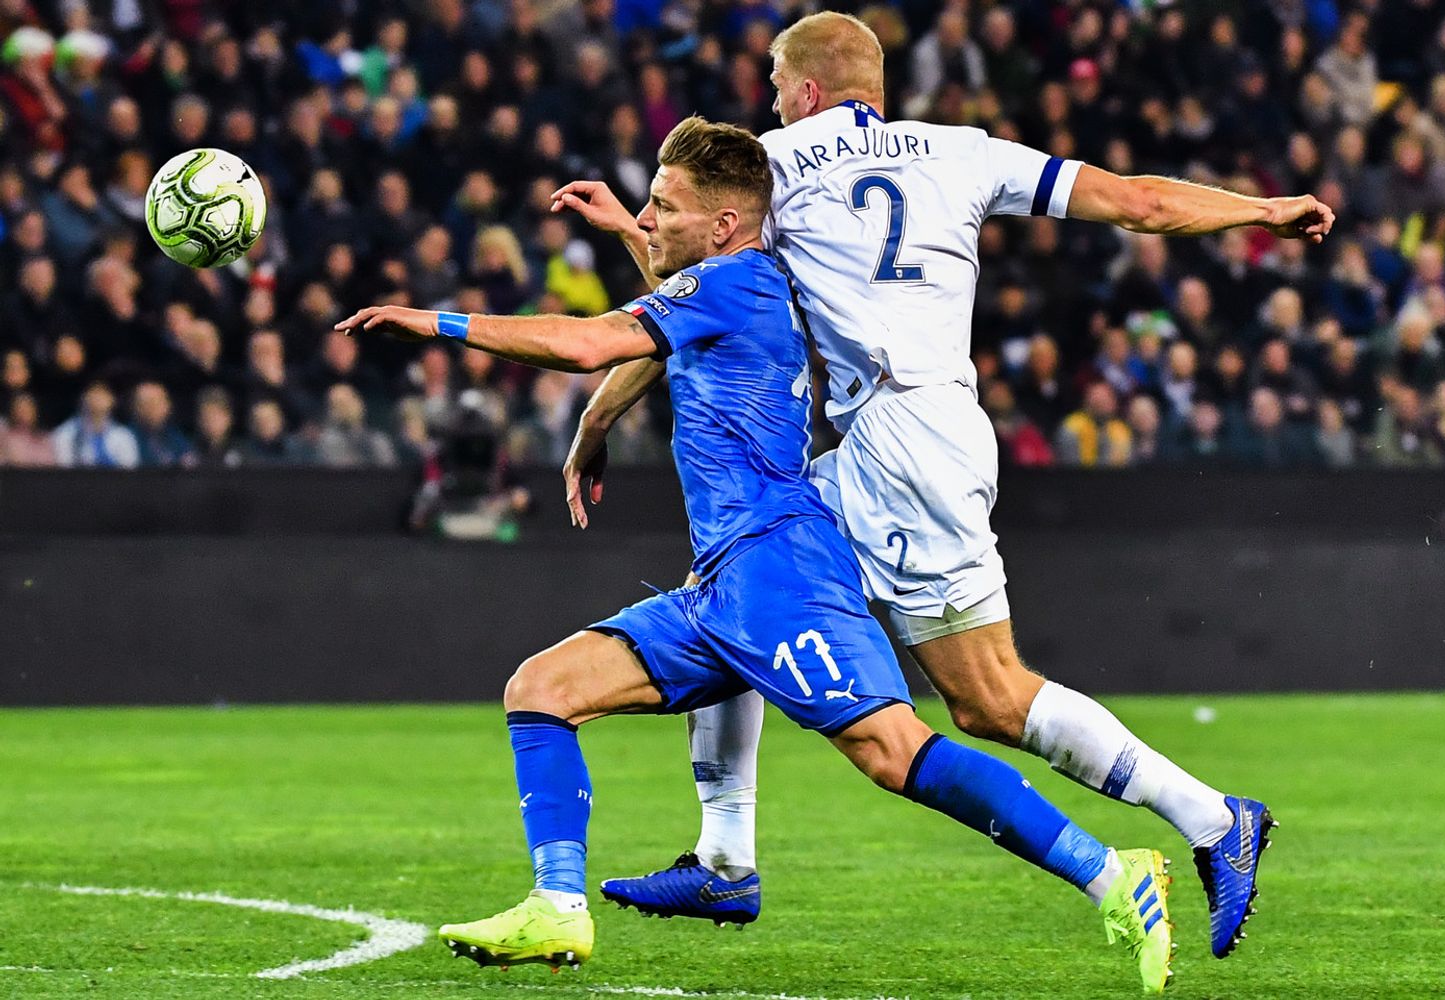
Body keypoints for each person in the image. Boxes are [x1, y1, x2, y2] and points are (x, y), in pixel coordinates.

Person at [336, 117, 1175, 993]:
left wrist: (433, 322)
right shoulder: (736, 280)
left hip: (781, 570)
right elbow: (670, 297)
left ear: (725, 225)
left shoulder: (733, 284)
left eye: (664, 205)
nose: (649, 216)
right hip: (727, 581)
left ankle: (1116, 877)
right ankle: (559, 905)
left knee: (894, 751)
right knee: (541, 690)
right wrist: (629, 237)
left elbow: (587, 345)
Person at [553, 11, 1317, 961]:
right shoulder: (967, 151)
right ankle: (723, 857)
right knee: (747, 566)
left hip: (902, 448)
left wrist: (597, 410)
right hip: (932, 429)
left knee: (989, 697)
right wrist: (1262, 211)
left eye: (774, 85)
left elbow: (690, 295)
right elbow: (1139, 204)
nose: (769, 101)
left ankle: (1211, 820)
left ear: (803, 91)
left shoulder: (777, 167)